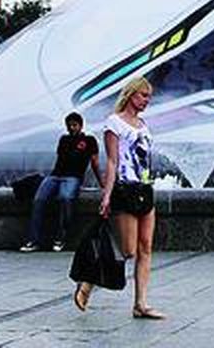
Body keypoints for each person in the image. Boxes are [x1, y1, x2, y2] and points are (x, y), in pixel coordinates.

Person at [73, 76, 164, 319]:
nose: (146, 101)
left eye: (149, 97)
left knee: (146, 248)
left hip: (145, 189)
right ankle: (88, 282)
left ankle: (141, 304)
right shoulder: (114, 123)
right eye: (143, 95)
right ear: (132, 94)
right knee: (128, 250)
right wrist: (107, 195)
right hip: (124, 190)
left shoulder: (143, 124)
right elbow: (112, 162)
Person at [20, 112, 101, 252]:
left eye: (74, 125)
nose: (71, 128)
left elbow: (95, 162)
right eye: (69, 125)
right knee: (39, 200)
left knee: (66, 199)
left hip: (73, 177)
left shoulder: (89, 140)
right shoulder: (63, 139)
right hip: (55, 175)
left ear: (81, 126)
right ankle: (33, 240)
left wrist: (102, 182)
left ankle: (61, 238)